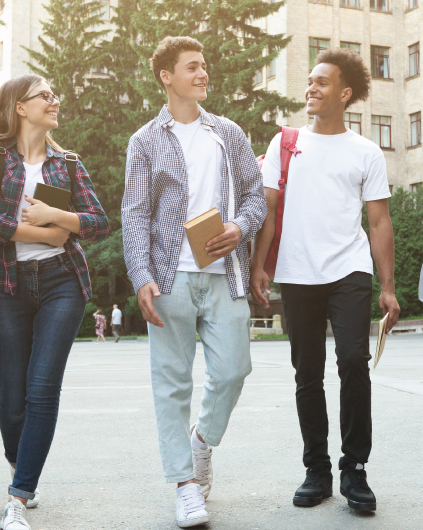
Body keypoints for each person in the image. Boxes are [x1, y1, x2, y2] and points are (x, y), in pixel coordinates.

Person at [121, 36, 266, 528]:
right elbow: (135, 213)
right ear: (167, 77)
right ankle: (184, 486)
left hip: (225, 274)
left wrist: (239, 228)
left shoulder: (228, 132)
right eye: (192, 67)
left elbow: (255, 197)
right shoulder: (145, 141)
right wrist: (141, 276)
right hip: (169, 278)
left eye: (204, 66)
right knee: (171, 385)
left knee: (234, 370)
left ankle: (200, 442)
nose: (203, 74)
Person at [250, 47, 398, 514]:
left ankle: (354, 468)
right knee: (307, 372)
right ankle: (316, 469)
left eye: (322, 82)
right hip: (296, 273)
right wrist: (261, 267)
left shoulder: (366, 151)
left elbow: (378, 222)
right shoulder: (286, 143)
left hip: (349, 270)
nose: (311, 88)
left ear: (345, 93)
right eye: (310, 81)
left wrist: (388, 286)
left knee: (354, 361)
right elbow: (269, 211)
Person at [0, 74, 111, 530]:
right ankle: (21, 463)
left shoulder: (65, 164)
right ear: (19, 107)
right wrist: (45, 231)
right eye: (45, 95)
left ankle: (19, 495)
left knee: (43, 390)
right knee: (13, 398)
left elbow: (97, 221)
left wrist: (56, 215)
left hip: (61, 282)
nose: (55, 100)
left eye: (54, 94)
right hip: (4, 284)